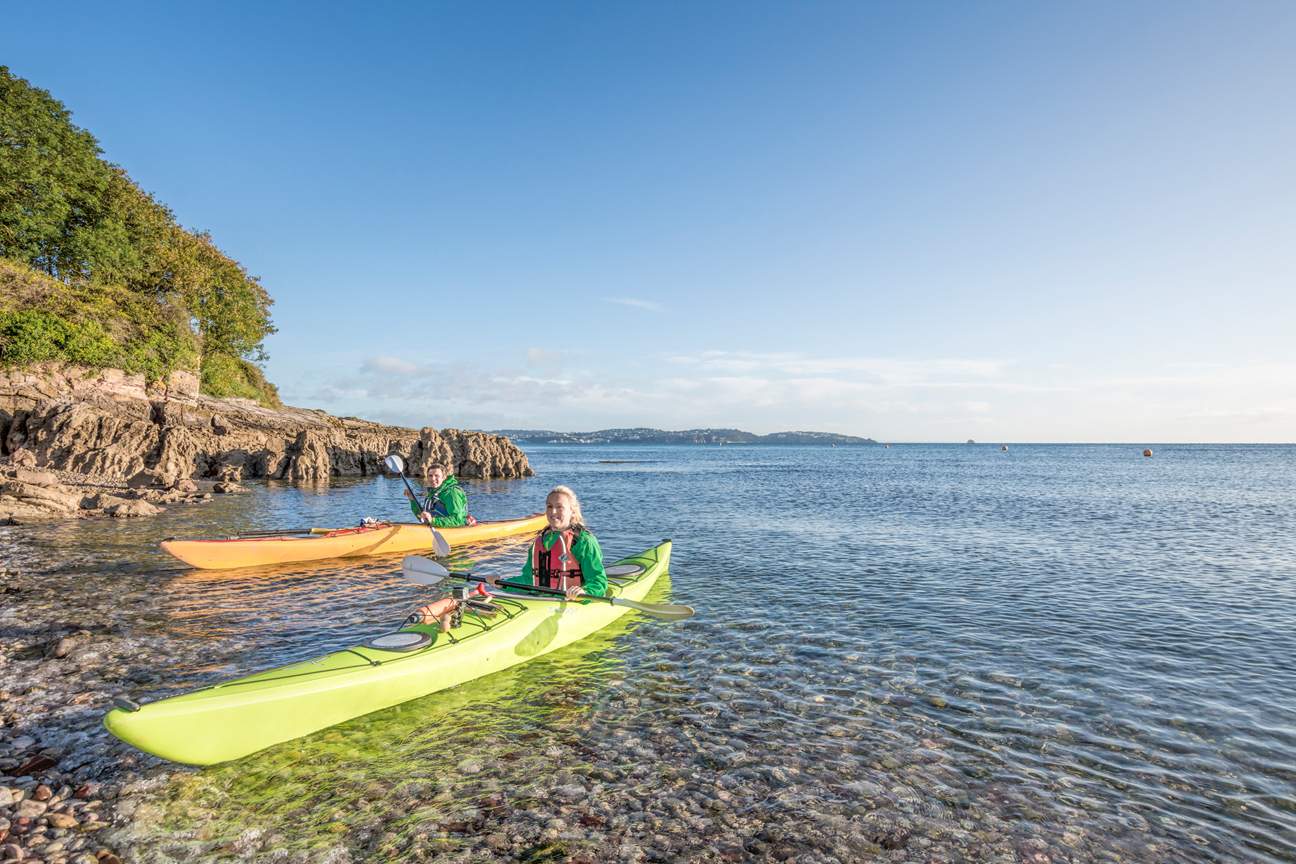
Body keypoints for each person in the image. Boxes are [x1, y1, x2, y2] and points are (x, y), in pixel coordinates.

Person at [501, 485, 607, 599]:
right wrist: (502, 583)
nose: (553, 511)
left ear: (572, 511)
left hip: (571, 601)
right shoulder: (540, 540)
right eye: (549, 506)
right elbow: (528, 579)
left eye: (559, 507)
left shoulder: (583, 541)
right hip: (540, 599)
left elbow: (598, 581)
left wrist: (585, 591)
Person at [403, 462, 468, 528]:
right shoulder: (433, 493)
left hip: (452, 531)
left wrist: (433, 521)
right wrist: (412, 499)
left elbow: (457, 520)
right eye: (430, 476)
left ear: (444, 477)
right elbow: (422, 518)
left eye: (437, 475)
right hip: (435, 527)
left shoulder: (452, 493)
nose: (433, 479)